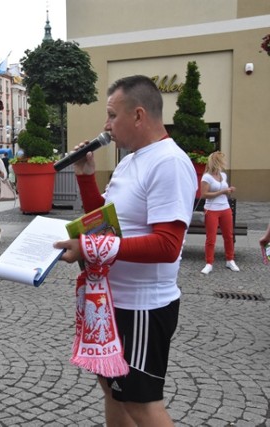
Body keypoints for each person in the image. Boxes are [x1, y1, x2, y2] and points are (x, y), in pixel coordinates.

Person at [55, 75, 196, 426]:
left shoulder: (168, 163)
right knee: (113, 390)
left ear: (138, 115)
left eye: (111, 115)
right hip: (111, 300)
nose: (106, 125)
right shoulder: (131, 161)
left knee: (141, 403)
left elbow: (167, 245)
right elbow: (105, 225)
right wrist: (87, 178)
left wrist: (88, 246)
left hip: (143, 304)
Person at [200, 151, 239, 274]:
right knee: (211, 238)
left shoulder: (223, 175)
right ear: (216, 162)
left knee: (228, 236)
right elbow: (204, 194)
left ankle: (230, 260)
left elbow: (224, 189)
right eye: (222, 161)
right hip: (211, 210)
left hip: (225, 208)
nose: (224, 163)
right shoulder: (206, 177)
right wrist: (222, 192)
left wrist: (229, 190)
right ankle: (209, 263)